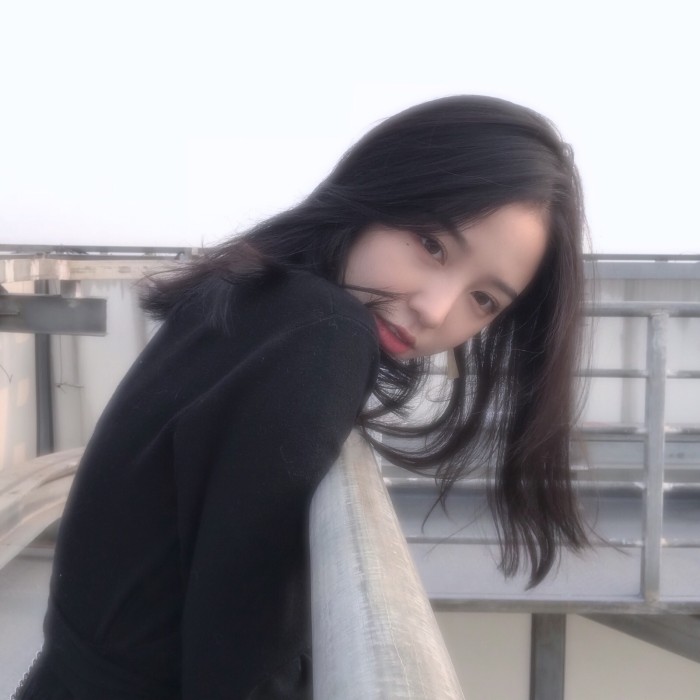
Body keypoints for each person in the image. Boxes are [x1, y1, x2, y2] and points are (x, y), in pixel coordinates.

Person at [15, 95, 589, 699]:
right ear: (378, 191)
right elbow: (242, 661)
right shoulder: (322, 331)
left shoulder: (254, 299)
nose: (435, 309)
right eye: (432, 244)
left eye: (484, 300)